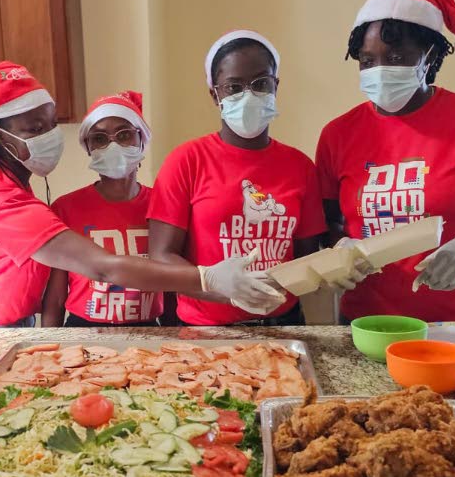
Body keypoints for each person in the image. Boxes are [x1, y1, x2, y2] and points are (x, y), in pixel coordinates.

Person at [0, 62, 284, 327]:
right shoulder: (4, 202)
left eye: (52, 124)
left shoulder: (10, 187)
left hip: (15, 326)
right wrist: (208, 277)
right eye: (36, 129)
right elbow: (101, 268)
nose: (50, 136)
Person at [315, 0, 455, 323]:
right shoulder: (338, 134)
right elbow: (327, 222)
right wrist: (340, 247)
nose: (380, 70)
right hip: (367, 321)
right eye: (367, 61)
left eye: (395, 57)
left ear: (429, 55)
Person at [148, 30, 349, 326]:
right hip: (206, 331)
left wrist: (340, 255)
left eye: (260, 83)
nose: (249, 94)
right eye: (234, 87)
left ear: (275, 86)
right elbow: (161, 257)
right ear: (215, 94)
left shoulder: (299, 166)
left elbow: (305, 256)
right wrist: (219, 287)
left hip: (283, 324)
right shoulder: (186, 161)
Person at [41, 91, 163, 327]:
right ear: (89, 148)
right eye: (99, 138)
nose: (113, 145)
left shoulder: (162, 203)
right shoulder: (66, 208)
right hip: (82, 329)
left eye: (124, 134)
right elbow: (55, 296)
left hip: (148, 329)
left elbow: (171, 289)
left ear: (142, 141)